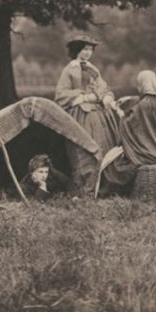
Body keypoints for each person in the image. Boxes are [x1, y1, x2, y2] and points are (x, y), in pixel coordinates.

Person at [55, 34, 122, 193]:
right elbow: (61, 93)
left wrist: (105, 96)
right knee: (85, 148)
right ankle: (86, 185)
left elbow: (102, 86)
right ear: (77, 50)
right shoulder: (69, 70)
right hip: (80, 114)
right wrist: (83, 96)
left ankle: (105, 183)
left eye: (90, 50)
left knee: (104, 145)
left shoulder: (93, 69)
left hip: (99, 114)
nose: (87, 53)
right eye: (84, 49)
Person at [102, 70, 156, 189]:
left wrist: (118, 111)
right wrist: (130, 98)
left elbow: (127, 123)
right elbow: (149, 98)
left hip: (148, 151)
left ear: (141, 84)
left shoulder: (142, 107)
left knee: (114, 167)